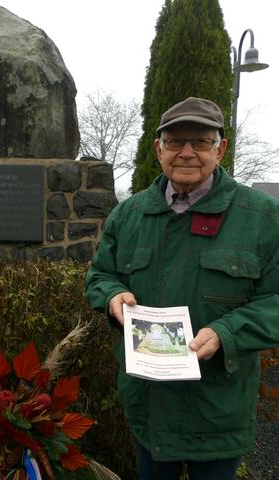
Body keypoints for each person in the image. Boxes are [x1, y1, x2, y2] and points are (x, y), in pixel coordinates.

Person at [85, 97, 279, 480]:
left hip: (218, 409)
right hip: (150, 408)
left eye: (201, 142)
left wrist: (226, 332)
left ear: (220, 148)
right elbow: (100, 274)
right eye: (175, 142)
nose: (186, 153)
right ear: (159, 149)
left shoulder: (261, 218)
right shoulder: (130, 214)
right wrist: (112, 295)